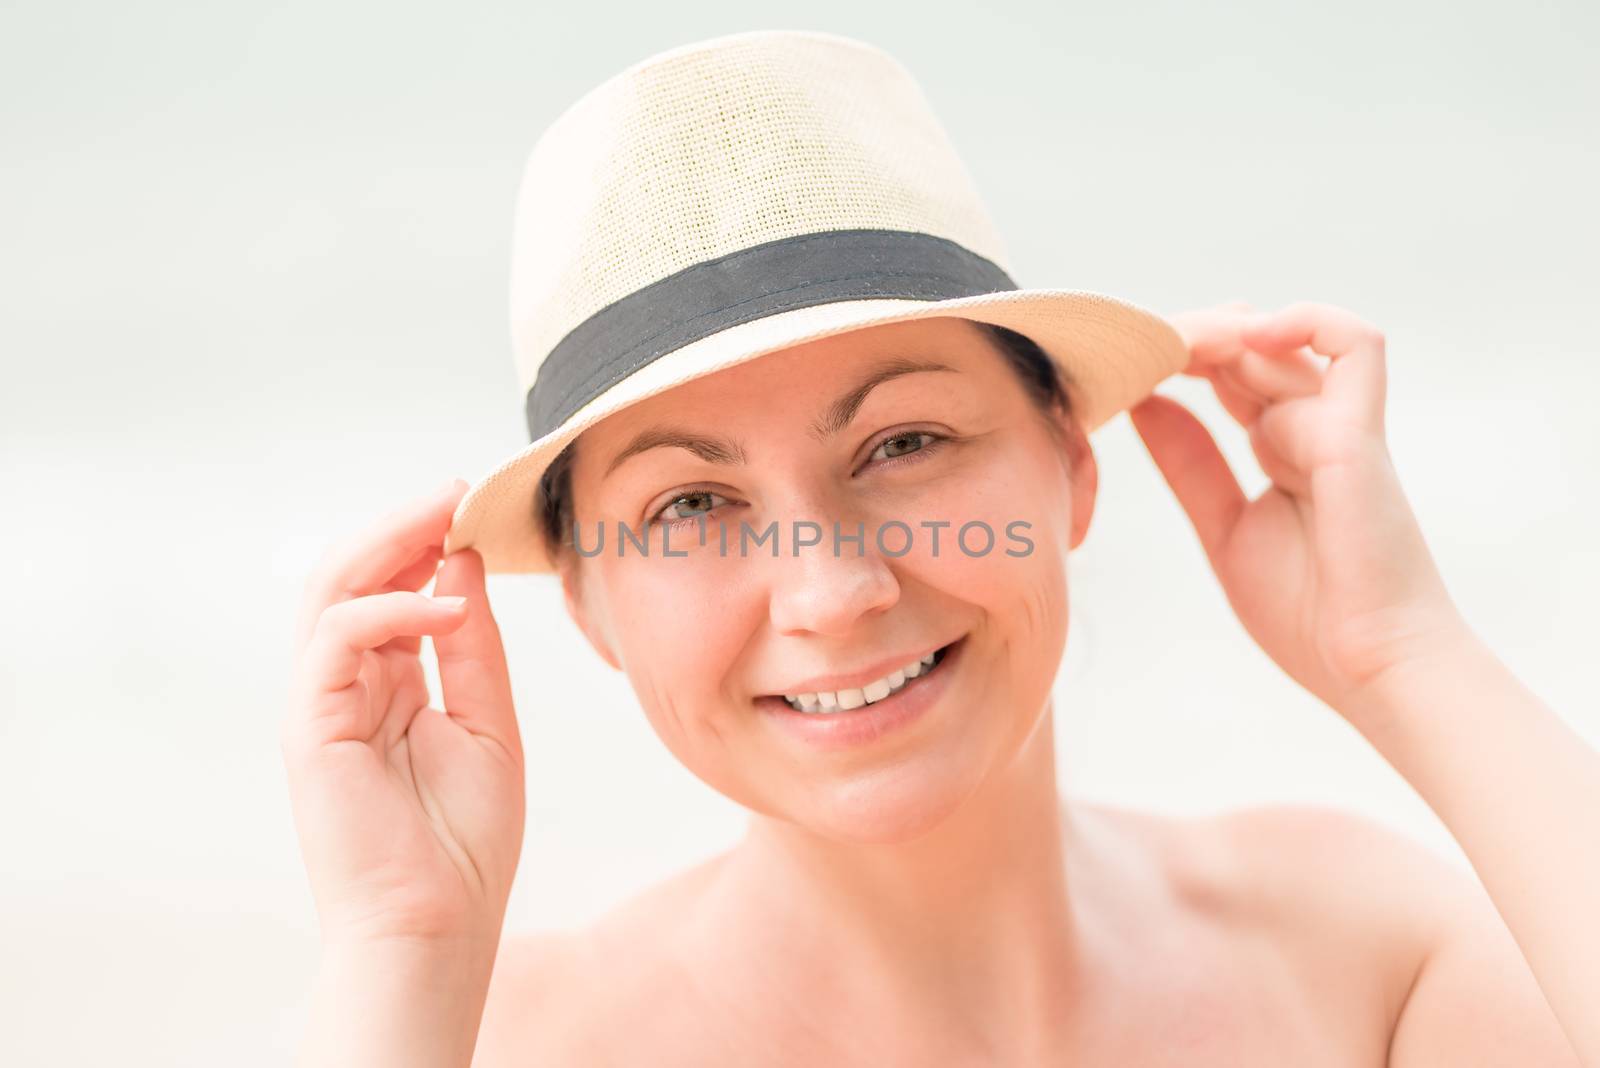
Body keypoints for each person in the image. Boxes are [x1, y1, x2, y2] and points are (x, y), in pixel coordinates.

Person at [281, 30, 1598, 1068]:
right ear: (588, 604)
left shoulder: (1358, 960)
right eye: (691, 506)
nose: (834, 591)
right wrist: (402, 950)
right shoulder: (496, 1044)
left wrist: (1409, 658)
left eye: (903, 444)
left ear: (1074, 467)